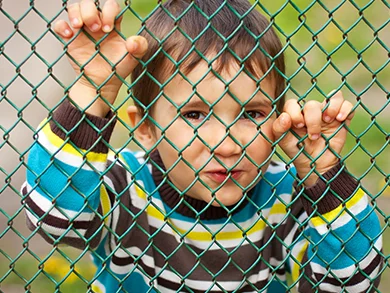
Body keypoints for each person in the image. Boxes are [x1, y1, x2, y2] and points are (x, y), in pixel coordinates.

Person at [22, 0, 383, 292]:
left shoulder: (286, 196)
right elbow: (57, 217)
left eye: (251, 113)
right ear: (146, 127)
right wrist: (92, 90)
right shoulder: (126, 188)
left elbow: (352, 284)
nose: (226, 145)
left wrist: (325, 176)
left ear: (278, 121)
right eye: (194, 114)